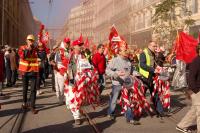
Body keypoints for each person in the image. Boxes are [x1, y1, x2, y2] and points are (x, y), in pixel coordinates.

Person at [176, 44, 200, 133]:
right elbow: (191, 77)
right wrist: (195, 91)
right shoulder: (196, 61)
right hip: (197, 90)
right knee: (199, 112)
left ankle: (181, 126)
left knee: (194, 111)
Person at [106, 44, 133, 122]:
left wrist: (136, 74)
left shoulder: (128, 61)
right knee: (114, 100)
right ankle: (111, 113)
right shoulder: (115, 60)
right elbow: (107, 70)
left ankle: (129, 117)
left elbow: (131, 71)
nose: (127, 51)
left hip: (127, 84)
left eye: (126, 50)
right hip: (117, 84)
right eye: (125, 50)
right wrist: (116, 74)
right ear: (120, 52)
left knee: (127, 100)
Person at [138, 41, 164, 117]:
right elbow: (142, 65)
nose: (155, 48)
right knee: (141, 95)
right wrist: (153, 70)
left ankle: (160, 111)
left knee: (155, 94)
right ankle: (137, 111)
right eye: (154, 46)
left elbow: (156, 63)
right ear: (149, 46)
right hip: (144, 78)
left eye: (156, 46)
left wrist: (159, 68)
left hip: (152, 77)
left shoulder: (153, 53)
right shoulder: (143, 53)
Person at [18, 34, 39, 114]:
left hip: (33, 71)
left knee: (33, 90)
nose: (30, 42)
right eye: (29, 40)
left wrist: (40, 48)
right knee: (25, 88)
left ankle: (32, 107)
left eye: (32, 40)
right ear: (26, 40)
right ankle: (24, 103)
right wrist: (28, 49)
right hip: (24, 71)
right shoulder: (22, 48)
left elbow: (41, 55)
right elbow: (23, 57)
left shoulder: (35, 49)